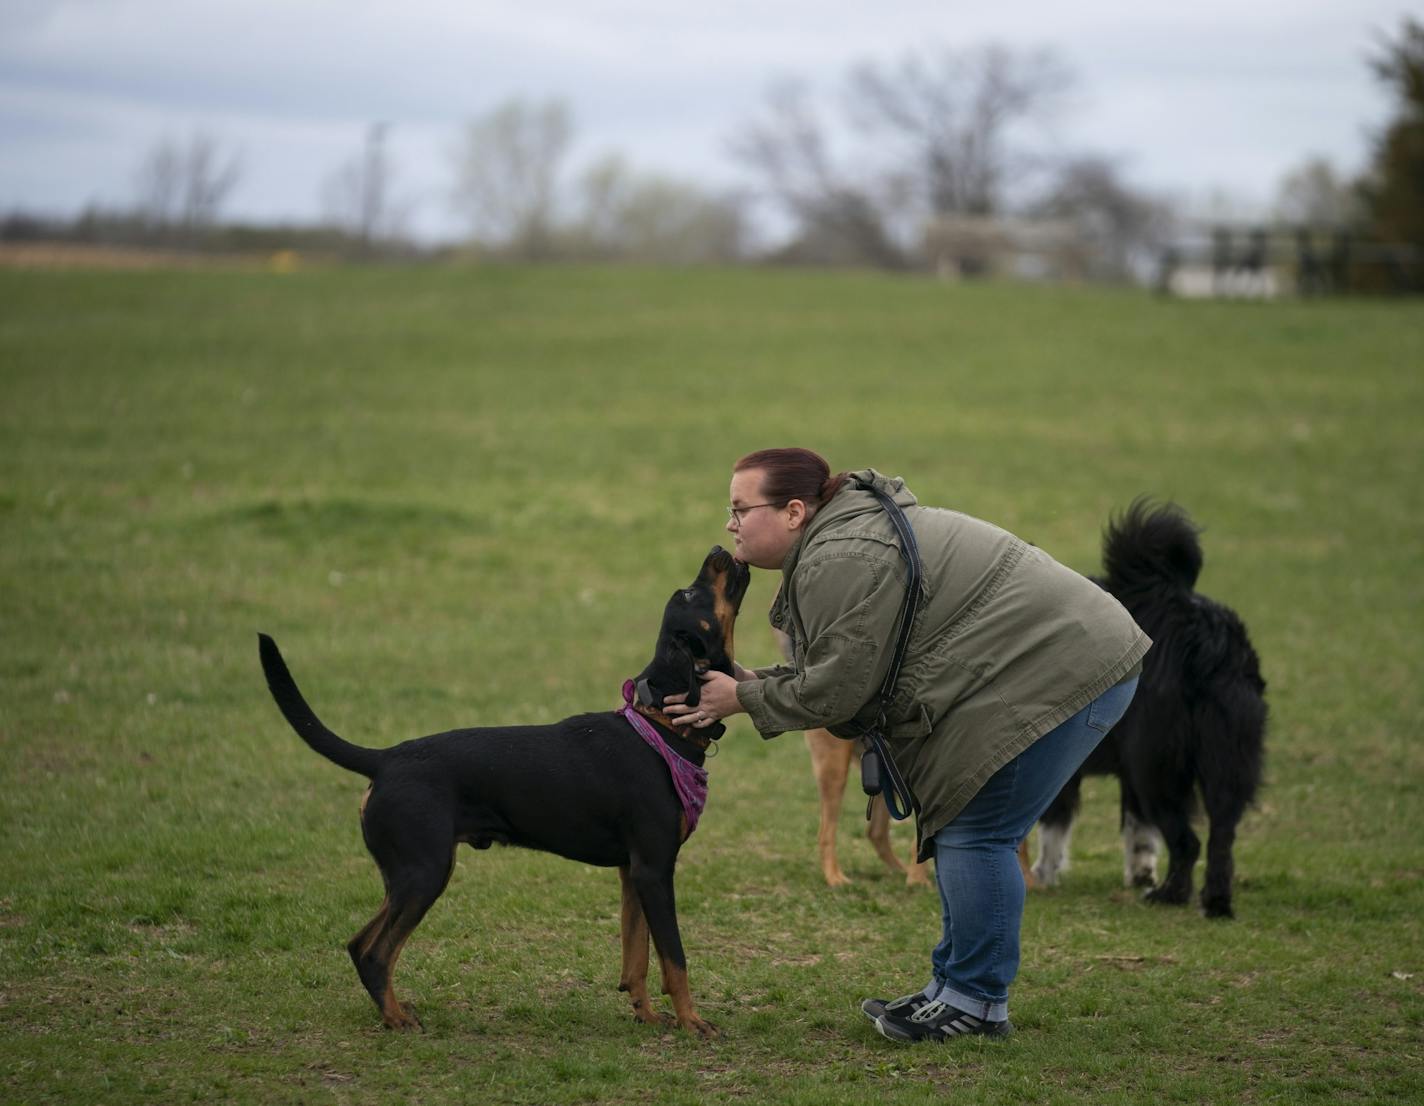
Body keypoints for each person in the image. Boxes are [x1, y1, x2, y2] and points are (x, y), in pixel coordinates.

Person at [663, 447, 1149, 1042]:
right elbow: (848, 671)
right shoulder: (835, 543)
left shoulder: (840, 557)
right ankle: (950, 990)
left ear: (793, 511)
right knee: (963, 827)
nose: (730, 523)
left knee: (978, 830)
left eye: (741, 508)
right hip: (1048, 661)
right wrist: (755, 684)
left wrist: (742, 700)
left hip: (1066, 668)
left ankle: (976, 1004)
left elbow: (840, 691)